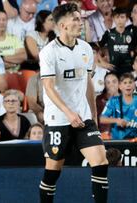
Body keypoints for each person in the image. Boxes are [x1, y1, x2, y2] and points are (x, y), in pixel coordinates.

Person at [38, 4, 108, 203]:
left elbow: (88, 84)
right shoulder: (48, 52)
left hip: (83, 118)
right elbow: (49, 87)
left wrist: (93, 116)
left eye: (80, 18)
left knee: (101, 161)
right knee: (53, 171)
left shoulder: (86, 48)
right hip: (59, 119)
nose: (80, 23)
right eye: (75, 19)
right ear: (63, 26)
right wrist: (69, 113)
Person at [0, 10, 27, 89]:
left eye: (4, 20)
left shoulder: (14, 38)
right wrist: (14, 62)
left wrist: (2, 58)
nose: (1, 22)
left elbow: (23, 56)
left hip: (16, 75)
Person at [99, 7, 137, 76]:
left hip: (129, 69)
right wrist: (102, 62)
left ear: (127, 19)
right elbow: (97, 47)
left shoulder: (132, 33)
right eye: (117, 17)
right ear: (113, 18)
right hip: (113, 69)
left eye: (122, 17)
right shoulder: (108, 33)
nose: (119, 20)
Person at [100, 73, 137, 139]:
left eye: (130, 82)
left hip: (135, 140)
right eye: (125, 83)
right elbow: (102, 119)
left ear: (134, 85)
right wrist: (117, 120)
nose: (128, 85)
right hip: (118, 140)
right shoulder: (113, 101)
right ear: (120, 86)